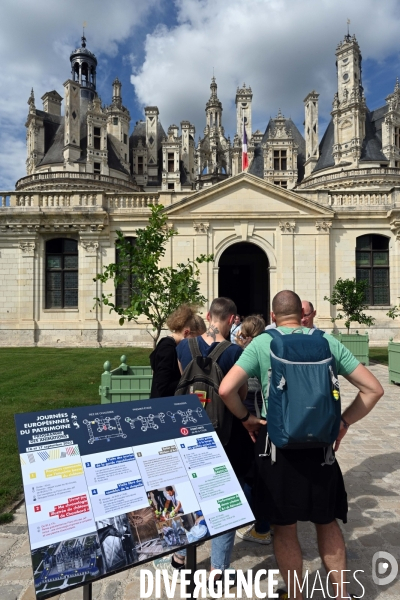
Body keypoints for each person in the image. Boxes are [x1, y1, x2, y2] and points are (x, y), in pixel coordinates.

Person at [219, 290, 384, 600]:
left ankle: (296, 594)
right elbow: (373, 389)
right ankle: (340, 594)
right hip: (322, 448)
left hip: (278, 448)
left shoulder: (262, 344)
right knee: (326, 520)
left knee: (284, 526)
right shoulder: (327, 342)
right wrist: (343, 422)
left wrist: (247, 419)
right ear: (303, 314)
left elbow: (227, 388)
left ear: (272, 317)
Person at [155, 297, 249, 593]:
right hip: (224, 434)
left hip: (188, 432)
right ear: (233, 320)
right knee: (223, 501)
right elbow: (238, 393)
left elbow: (185, 381)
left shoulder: (184, 347)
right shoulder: (235, 352)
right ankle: (218, 571)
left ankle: (180, 556)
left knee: (187, 495)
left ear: (208, 316)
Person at [235, 315, 272, 545]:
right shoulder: (269, 351)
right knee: (261, 472)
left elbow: (233, 388)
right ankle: (263, 520)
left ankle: (260, 523)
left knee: (253, 475)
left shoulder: (246, 356)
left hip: (249, 421)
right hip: (265, 420)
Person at [149, 305, 206, 398]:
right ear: (187, 332)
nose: (198, 343)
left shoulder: (170, 345)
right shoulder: (167, 349)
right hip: (163, 407)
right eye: (197, 338)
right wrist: (189, 379)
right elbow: (163, 388)